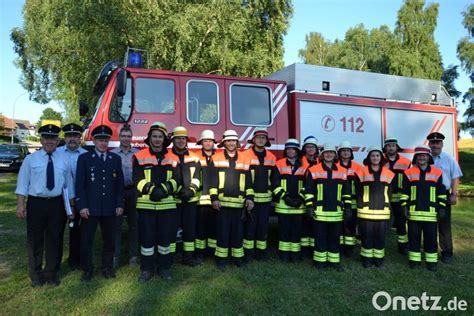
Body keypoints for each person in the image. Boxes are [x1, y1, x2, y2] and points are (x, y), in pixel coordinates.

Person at [15, 123, 74, 287]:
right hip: (36, 204)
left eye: (53, 138)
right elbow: (22, 184)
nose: (50, 141)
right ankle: (36, 274)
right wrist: (20, 205)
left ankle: (51, 273)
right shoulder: (30, 159)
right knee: (35, 239)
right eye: (47, 138)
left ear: (58, 140)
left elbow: (68, 186)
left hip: (57, 204)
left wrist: (71, 208)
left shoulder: (64, 160)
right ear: (41, 140)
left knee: (55, 239)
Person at [75, 125, 124, 281]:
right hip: (90, 208)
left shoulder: (115, 159)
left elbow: (119, 185)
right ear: (94, 140)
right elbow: (80, 185)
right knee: (86, 241)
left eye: (106, 140)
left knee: (109, 241)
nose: (103, 143)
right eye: (100, 140)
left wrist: (119, 204)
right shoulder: (84, 158)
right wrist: (82, 205)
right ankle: (87, 270)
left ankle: (107, 268)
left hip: (110, 208)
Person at [133, 122, 181, 281]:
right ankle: (146, 269)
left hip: (167, 205)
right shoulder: (139, 156)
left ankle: (164, 268)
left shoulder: (173, 158)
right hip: (146, 204)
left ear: (164, 139)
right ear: (149, 138)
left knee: (164, 239)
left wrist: (164, 190)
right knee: (146, 238)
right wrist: (152, 190)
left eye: (160, 136)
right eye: (154, 136)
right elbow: (137, 179)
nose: (157, 139)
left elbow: (177, 180)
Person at [210, 130, 254, 270]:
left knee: (238, 233)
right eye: (228, 141)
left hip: (239, 203)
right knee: (222, 232)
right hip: (221, 203)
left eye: (233, 141)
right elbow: (212, 180)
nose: (231, 143)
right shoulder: (215, 158)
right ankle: (221, 260)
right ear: (224, 143)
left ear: (237, 143)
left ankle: (238, 259)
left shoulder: (245, 159)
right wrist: (214, 198)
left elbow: (248, 182)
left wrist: (250, 198)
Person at [305, 143, 351, 271]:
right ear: (322, 155)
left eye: (331, 153)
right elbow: (309, 191)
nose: (329, 155)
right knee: (320, 237)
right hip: (319, 211)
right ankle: (319, 262)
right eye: (326, 153)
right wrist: (309, 207)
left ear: (335, 155)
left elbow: (346, 192)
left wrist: (347, 207)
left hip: (336, 212)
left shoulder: (342, 171)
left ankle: (334, 262)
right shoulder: (314, 170)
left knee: (334, 238)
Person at [400, 145, 447, 272]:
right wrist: (404, 206)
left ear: (428, 158)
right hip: (413, 213)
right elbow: (405, 191)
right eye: (419, 155)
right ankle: (414, 261)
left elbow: (441, 192)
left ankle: (431, 262)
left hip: (431, 213)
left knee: (431, 238)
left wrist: (442, 208)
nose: (422, 157)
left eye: (424, 156)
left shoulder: (437, 172)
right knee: (414, 237)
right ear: (416, 158)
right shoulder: (408, 173)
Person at [355, 146, 394, 268]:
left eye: (377, 155)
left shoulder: (389, 173)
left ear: (381, 158)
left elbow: (390, 192)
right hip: (365, 210)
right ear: (368, 158)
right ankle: (366, 260)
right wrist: (360, 203)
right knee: (366, 236)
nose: (375, 158)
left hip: (382, 210)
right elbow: (358, 191)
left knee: (380, 237)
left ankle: (379, 261)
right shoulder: (361, 172)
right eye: (372, 155)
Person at [427, 132, 463, 264]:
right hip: (427, 195)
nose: (435, 145)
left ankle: (447, 252)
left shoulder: (449, 159)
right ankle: (430, 249)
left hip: (444, 195)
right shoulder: (424, 158)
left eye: (437, 143)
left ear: (442, 144)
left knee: (444, 224)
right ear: (429, 144)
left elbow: (455, 176)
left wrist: (454, 194)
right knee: (429, 224)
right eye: (433, 143)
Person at [243, 128, 276, 262]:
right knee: (250, 226)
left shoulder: (272, 157)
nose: (261, 140)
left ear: (266, 141)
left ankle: (261, 253)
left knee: (263, 227)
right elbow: (243, 178)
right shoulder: (245, 155)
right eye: (259, 137)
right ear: (254, 140)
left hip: (266, 198)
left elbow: (274, 178)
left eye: (263, 138)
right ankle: (248, 253)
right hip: (250, 198)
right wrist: (247, 196)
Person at [57, 123, 87, 270]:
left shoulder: (86, 155)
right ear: (64, 137)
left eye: (75, 136)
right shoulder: (56, 153)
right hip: (59, 198)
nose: (72, 139)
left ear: (80, 138)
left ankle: (76, 260)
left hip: (78, 198)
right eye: (69, 136)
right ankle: (55, 262)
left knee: (78, 231)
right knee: (56, 231)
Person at [272, 139, 308, 262]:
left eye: (293, 149)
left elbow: (308, 185)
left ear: (297, 151)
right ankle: (284, 255)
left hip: (299, 206)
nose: (290, 151)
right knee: (283, 231)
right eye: (288, 149)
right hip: (283, 205)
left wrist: (300, 198)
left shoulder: (305, 165)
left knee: (297, 231)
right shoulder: (279, 164)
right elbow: (275, 183)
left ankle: (295, 255)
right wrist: (285, 197)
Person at [171, 126, 202, 266]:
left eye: (183, 138)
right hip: (172, 200)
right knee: (171, 230)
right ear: (173, 140)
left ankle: (188, 258)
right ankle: (170, 257)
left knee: (190, 230)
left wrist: (191, 191)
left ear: (186, 140)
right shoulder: (167, 156)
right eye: (178, 138)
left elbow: (197, 177)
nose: (181, 141)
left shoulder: (194, 157)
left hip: (190, 199)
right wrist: (177, 190)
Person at [111, 125, 139, 268]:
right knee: (116, 225)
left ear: (131, 138)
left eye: (129, 136)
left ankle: (133, 256)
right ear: (119, 137)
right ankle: (115, 256)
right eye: (124, 136)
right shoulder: (114, 154)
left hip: (134, 191)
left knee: (134, 225)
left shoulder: (138, 153)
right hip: (118, 192)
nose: (126, 139)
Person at [383, 137, 411, 255]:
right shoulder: (381, 161)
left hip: (400, 199)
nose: (391, 148)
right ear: (385, 148)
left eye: (393, 146)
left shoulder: (406, 162)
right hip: (385, 198)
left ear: (397, 147)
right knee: (383, 223)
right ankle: (380, 244)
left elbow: (410, 180)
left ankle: (403, 246)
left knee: (401, 224)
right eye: (389, 146)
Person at [194, 130, 217, 259]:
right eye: (205, 141)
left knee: (214, 227)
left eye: (210, 141)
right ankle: (200, 253)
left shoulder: (219, 157)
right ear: (201, 142)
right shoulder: (196, 156)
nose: (208, 143)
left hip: (215, 199)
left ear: (213, 142)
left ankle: (211, 252)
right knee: (200, 228)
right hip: (200, 200)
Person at [337, 140, 363, 256]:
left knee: (351, 226)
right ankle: (340, 247)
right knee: (339, 226)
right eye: (343, 151)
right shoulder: (335, 166)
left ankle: (349, 248)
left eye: (348, 151)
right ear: (339, 153)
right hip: (338, 202)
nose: (346, 153)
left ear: (351, 153)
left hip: (353, 202)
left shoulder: (358, 168)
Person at [300, 135, 319, 255]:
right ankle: (304, 250)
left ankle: (313, 249)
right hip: (302, 197)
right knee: (304, 225)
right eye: (308, 147)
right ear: (304, 148)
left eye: (313, 147)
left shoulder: (319, 162)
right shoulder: (300, 161)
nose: (311, 149)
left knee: (315, 225)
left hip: (316, 197)